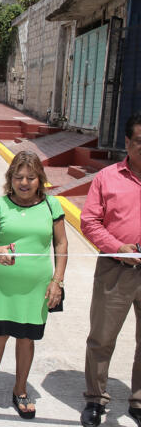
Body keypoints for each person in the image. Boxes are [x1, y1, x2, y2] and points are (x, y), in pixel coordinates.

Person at [0, 151, 68, 419]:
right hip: (3, 287)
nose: (24, 183)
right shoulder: (0, 205)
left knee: (27, 339)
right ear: (10, 179)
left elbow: (61, 244)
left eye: (31, 177)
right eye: (19, 177)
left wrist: (57, 281)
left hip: (36, 289)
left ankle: (20, 390)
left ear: (40, 179)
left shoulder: (52, 207)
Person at [80, 112, 141, 427]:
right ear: (128, 142)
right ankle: (95, 399)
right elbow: (88, 221)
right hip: (115, 268)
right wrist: (118, 247)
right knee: (102, 338)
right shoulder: (107, 178)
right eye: (140, 141)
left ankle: (139, 401)